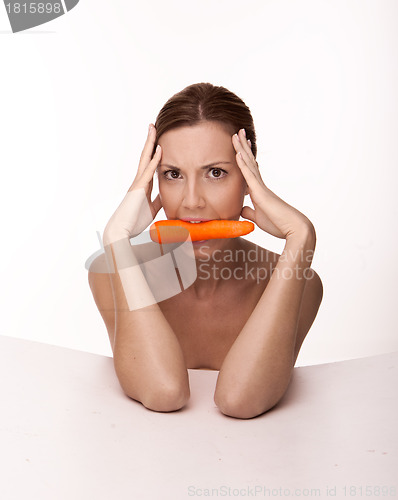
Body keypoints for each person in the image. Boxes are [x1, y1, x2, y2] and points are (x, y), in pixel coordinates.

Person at [88, 82, 323, 419]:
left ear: (248, 179)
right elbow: (162, 391)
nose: (192, 201)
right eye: (173, 174)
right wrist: (116, 240)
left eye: (215, 173)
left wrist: (301, 236)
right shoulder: (109, 272)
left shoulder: (300, 281)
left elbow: (242, 400)